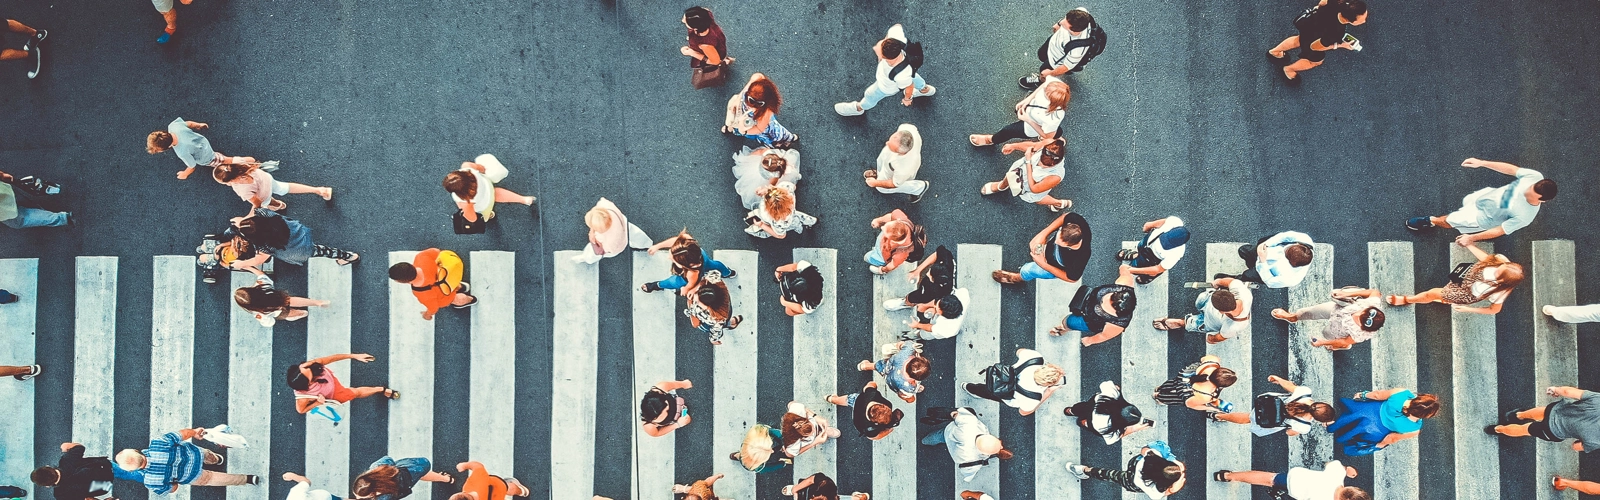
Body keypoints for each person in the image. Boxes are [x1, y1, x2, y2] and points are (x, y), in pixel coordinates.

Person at [1406, 158, 1557, 244]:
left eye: (1530, 194)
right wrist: (1482, 163)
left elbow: (1500, 230)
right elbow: (1512, 170)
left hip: (1481, 218)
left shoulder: (1525, 216)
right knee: (1466, 201)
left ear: (1542, 200)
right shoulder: (1535, 177)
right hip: (1484, 197)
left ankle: (1431, 221)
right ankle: (1440, 220)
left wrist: (1472, 238)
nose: (1526, 191)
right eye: (1529, 188)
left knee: (1449, 220)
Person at [1385, 243, 1522, 315]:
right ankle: (1445, 299)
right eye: (1500, 267)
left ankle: (1408, 300)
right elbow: (1487, 259)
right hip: (1463, 277)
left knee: (1431, 293)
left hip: (1464, 293)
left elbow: (1494, 310)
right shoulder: (1502, 261)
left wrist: (1468, 310)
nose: (1495, 269)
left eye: (1498, 273)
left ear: (1502, 281)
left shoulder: (1500, 292)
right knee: (1443, 294)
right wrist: (1469, 245)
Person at [117, 428, 258, 494]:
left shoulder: (150, 482)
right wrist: (195, 432)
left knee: (213, 478)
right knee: (207, 455)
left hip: (192, 476)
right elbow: (182, 434)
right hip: (194, 454)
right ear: (136, 451)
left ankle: (247, 479)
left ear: (134, 470)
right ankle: (217, 459)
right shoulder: (158, 443)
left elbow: (173, 488)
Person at [834, 24, 935, 116]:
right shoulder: (896, 40)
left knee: (870, 95)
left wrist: (907, 99)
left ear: (886, 58)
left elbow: (909, 86)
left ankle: (859, 108)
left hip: (887, 86)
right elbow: (897, 26)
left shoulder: (900, 75)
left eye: (879, 52)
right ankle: (924, 89)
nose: (874, 48)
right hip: (908, 69)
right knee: (913, 76)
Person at [1267, 0, 1368, 83]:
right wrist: (1341, 45)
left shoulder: (1339, 3)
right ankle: (1289, 70)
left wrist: (1318, 10)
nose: (1364, 21)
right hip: (1314, 39)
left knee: (1298, 40)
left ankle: (1274, 52)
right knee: (1315, 61)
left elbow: (1322, 3)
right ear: (1351, 20)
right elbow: (1315, 47)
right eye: (1362, 19)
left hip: (1310, 25)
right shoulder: (1336, 32)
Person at [224, 208, 359, 268]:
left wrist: (242, 264)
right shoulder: (264, 214)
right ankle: (347, 256)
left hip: (297, 249)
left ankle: (349, 257)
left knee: (319, 251)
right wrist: (244, 221)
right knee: (320, 249)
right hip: (298, 232)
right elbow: (256, 210)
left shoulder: (263, 245)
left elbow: (259, 259)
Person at [1212, 375, 1336, 436]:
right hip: (1269, 419)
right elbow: (1289, 432)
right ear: (1317, 419)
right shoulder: (1304, 427)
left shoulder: (1305, 392)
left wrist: (1278, 379)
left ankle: (1218, 415)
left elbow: (1290, 386)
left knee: (1248, 416)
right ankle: (1218, 416)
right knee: (1248, 418)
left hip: (1269, 402)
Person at [1488, 385, 1600, 453]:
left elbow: (1568, 392)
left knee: (1543, 412)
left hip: (1556, 410)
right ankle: (1498, 429)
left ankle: (1519, 415)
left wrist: (1556, 389)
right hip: (1553, 431)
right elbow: (1576, 447)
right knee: (1525, 430)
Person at [1330, 387, 1440, 456]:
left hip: (1369, 410)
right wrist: (1380, 445)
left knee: (1354, 415)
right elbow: (1392, 438)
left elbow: (1377, 395)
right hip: (1374, 430)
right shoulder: (1414, 429)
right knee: (1360, 434)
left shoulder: (1402, 393)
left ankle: (1336, 423)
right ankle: (1344, 436)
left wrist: (1363, 395)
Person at [1272, 287, 1385, 351]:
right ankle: (1292, 317)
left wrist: (1323, 342)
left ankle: (1342, 347)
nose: (1357, 314)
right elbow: (1375, 292)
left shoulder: (1361, 333)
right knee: (1311, 312)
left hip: (1339, 330)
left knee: (1326, 334)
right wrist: (1346, 294)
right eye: (1362, 312)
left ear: (1362, 327)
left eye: (1359, 319)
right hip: (1337, 310)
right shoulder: (1373, 304)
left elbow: (1344, 340)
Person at [1050, 264, 1137, 347]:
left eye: (1112, 305)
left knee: (1069, 322)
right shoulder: (1125, 284)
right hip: (1086, 300)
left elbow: (1104, 336)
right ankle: (1063, 328)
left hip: (1089, 321)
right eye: (1112, 296)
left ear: (1118, 312)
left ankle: (1064, 328)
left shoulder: (1118, 324)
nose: (1104, 301)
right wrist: (1131, 269)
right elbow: (1124, 268)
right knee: (1070, 318)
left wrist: (1090, 340)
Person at [993, 211, 1090, 284]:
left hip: (1053, 267)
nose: (1055, 242)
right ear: (1068, 225)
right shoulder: (1077, 223)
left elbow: (1072, 279)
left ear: (1069, 246)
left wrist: (1043, 264)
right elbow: (1066, 216)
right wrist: (1043, 235)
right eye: (1058, 235)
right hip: (1051, 254)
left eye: (1059, 243)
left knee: (1028, 270)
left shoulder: (1081, 257)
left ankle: (1017, 278)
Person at [1064, 441, 1186, 498]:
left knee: (1111, 474)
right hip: (1131, 481)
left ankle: (1085, 470)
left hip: (1135, 464)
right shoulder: (1155, 489)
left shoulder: (1154, 455)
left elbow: (1144, 450)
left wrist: (1172, 460)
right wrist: (1174, 489)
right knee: (1111, 475)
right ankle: (1084, 470)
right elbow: (1164, 493)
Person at [978, 137, 1072, 211]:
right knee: (1010, 175)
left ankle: (1058, 203)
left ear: (1055, 163)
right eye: (1041, 161)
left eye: (1046, 165)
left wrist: (1028, 162)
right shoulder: (1048, 143)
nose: (1041, 165)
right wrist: (1014, 146)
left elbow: (1034, 188)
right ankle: (1001, 186)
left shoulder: (1056, 176)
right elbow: (1033, 146)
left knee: (1038, 200)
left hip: (1030, 187)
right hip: (1021, 170)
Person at [964, 348, 1066, 416]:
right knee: (991, 393)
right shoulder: (1033, 398)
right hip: (1007, 393)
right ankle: (971, 389)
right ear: (1048, 384)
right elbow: (1023, 412)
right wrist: (1048, 392)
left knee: (985, 388)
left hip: (1004, 375)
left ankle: (969, 387)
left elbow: (1019, 351)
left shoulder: (1035, 358)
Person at [969, 78, 1069, 147]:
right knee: (1053, 130)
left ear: (1052, 103)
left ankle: (990, 140)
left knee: (1008, 131)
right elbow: (1044, 85)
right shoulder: (1056, 86)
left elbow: (1047, 136)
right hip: (1029, 110)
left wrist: (1027, 120)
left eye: (1045, 96)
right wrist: (1027, 100)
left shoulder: (1053, 118)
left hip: (1030, 126)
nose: (1042, 93)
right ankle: (1057, 136)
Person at [921, 407, 1011, 483]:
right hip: (954, 449)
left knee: (936, 437)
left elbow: (955, 414)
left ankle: (924, 441)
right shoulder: (973, 460)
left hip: (948, 433)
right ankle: (925, 441)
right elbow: (967, 472)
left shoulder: (971, 423)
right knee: (938, 438)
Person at [1019, 8, 1102, 89]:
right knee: (1041, 55)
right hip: (1054, 43)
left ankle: (1040, 82)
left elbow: (1066, 66)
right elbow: (1065, 20)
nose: (1062, 22)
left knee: (1044, 71)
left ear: (1074, 31)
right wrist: (1058, 24)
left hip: (1056, 60)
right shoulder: (1081, 12)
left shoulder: (1077, 51)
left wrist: (1050, 73)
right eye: (1065, 18)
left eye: (1065, 24)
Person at [288, 353, 397, 414]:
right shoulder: (303, 397)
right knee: (355, 393)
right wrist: (317, 403)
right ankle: (380, 389)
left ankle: (380, 390)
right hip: (334, 394)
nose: (311, 368)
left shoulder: (306, 366)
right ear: (308, 384)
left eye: (307, 368)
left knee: (354, 392)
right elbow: (301, 410)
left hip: (329, 379)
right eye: (311, 375)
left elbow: (331, 358)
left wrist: (354, 356)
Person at [1153, 276, 1251, 344]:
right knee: (1201, 299)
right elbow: (1230, 282)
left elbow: (1216, 338)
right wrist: (1217, 282)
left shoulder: (1233, 327)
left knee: (1192, 323)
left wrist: (1210, 338)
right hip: (1208, 304)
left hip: (1208, 322)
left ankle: (1181, 323)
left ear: (1221, 312)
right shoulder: (1243, 293)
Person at [147, 119, 253, 180]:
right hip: (202, 142)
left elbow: (192, 166)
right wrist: (199, 125)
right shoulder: (173, 126)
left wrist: (185, 174)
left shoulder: (182, 152)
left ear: (167, 147)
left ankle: (248, 162)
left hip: (206, 156)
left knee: (225, 160)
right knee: (218, 157)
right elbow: (189, 124)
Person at [31, 442, 143, 500]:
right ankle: (146, 474)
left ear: (47, 485)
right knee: (129, 472)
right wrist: (64, 447)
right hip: (105, 467)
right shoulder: (66, 460)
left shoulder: (60, 495)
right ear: (49, 467)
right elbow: (80, 447)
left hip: (103, 486)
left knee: (125, 475)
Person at [442, 155, 535, 224]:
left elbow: (472, 218)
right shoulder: (467, 167)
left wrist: (461, 208)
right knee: (497, 192)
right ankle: (524, 199)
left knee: (484, 214)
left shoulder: (465, 202)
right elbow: (481, 168)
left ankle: (489, 215)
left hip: (485, 204)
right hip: (488, 186)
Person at [387, 248, 476, 320]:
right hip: (446, 277)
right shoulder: (421, 257)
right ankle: (461, 286)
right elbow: (436, 251)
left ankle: (470, 299)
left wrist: (427, 314)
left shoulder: (421, 293)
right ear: (411, 265)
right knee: (451, 284)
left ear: (405, 282)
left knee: (456, 298)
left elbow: (433, 307)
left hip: (445, 295)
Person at [639, 230, 736, 294]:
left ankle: (657, 285)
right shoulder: (687, 242)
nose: (669, 258)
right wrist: (658, 246)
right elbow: (676, 241)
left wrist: (686, 289)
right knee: (714, 264)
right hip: (702, 256)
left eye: (674, 260)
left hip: (690, 274)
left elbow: (691, 283)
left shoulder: (692, 273)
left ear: (689, 265)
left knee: (673, 282)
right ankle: (728, 273)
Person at [1213, 461, 1368, 500]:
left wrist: (1346, 469)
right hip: (1296, 492)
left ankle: (1227, 476)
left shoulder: (1337, 475)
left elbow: (1331, 464)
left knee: (1269, 478)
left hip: (1295, 477)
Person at [213, 162, 332, 211]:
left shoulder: (241, 189)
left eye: (225, 183)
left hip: (264, 195)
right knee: (285, 187)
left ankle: (278, 205)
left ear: (232, 180)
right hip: (266, 179)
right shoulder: (239, 164)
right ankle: (319, 190)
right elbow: (251, 159)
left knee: (267, 202)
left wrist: (251, 213)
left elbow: (257, 202)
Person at [1066, 381, 1153, 445]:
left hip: (1095, 405)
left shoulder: (1112, 397)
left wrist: (1116, 388)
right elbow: (1110, 440)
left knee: (1081, 407)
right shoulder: (1106, 425)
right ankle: (1079, 420)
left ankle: (1072, 411)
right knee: (1084, 422)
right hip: (1092, 422)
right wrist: (1134, 429)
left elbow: (1104, 384)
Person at [725, 73, 798, 148]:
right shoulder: (750, 91)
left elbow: (760, 129)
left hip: (758, 127)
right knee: (738, 123)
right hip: (747, 119)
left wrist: (744, 131)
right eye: (751, 101)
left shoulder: (767, 111)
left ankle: (789, 139)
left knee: (775, 135)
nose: (753, 107)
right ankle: (731, 128)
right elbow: (757, 75)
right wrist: (738, 98)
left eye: (759, 104)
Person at [1153, 354, 1238, 418]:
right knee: (1173, 398)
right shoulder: (1206, 396)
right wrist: (1213, 408)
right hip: (1185, 391)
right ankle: (1159, 397)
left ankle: (1160, 388)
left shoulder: (1213, 361)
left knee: (1172, 383)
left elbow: (1202, 359)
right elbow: (1189, 404)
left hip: (1184, 378)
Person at [235, 270, 329, 326]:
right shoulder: (261, 286)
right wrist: (249, 268)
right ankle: (318, 302)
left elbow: (269, 322)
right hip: (279, 298)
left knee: (296, 314)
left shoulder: (257, 313)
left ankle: (301, 313)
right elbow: (262, 275)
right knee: (292, 300)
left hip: (279, 312)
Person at [1224, 231, 1315, 288]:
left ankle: (1234, 280)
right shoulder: (1305, 239)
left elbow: (1270, 281)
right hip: (1265, 249)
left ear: (1292, 263)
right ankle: (1251, 264)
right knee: (1243, 251)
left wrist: (1262, 262)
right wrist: (1266, 244)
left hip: (1263, 270)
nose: (1283, 249)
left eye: (1285, 254)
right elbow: (1283, 237)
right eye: (1287, 248)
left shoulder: (1291, 279)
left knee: (1247, 275)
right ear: (1299, 244)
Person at [573, 198, 651, 264]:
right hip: (623, 224)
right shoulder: (605, 206)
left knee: (592, 253)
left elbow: (600, 252)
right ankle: (646, 243)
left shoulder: (602, 238)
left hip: (618, 245)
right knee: (635, 233)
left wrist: (592, 240)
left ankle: (587, 258)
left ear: (600, 230)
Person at [1116, 216, 1189, 285]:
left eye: (1167, 244)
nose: (1161, 243)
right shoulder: (1174, 221)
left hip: (1153, 258)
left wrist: (1132, 270)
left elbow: (1158, 269)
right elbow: (1150, 224)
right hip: (1146, 244)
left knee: (1140, 266)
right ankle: (1137, 257)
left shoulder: (1176, 254)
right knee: (1140, 249)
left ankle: (1149, 276)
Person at [863, 124, 927, 202]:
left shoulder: (904, 169)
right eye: (890, 140)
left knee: (883, 188)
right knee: (881, 161)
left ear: (901, 152)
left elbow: (894, 184)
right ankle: (879, 174)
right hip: (892, 163)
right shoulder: (906, 128)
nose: (887, 143)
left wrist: (875, 183)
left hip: (900, 174)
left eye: (891, 147)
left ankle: (919, 188)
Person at [827, 380, 904, 440]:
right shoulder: (869, 428)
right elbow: (873, 437)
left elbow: (869, 385)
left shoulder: (872, 394)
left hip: (858, 401)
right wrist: (888, 431)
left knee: (847, 399)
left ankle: (831, 399)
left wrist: (873, 384)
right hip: (857, 420)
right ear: (875, 422)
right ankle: (832, 399)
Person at [730, 146, 802, 210]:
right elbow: (759, 152)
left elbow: (772, 184)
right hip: (759, 169)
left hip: (762, 178)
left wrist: (764, 189)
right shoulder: (767, 154)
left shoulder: (775, 175)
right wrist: (749, 158)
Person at [885, 244, 954, 310]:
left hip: (932, 293)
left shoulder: (935, 291)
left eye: (930, 275)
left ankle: (906, 303)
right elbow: (937, 254)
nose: (927, 273)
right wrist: (918, 270)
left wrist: (925, 305)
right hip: (936, 285)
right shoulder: (947, 260)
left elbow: (928, 299)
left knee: (916, 297)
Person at [349, 457, 452, 500]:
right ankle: (446, 479)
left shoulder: (384, 496)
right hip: (408, 467)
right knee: (422, 470)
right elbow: (388, 459)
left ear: (373, 492)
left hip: (409, 480)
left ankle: (445, 479)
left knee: (421, 475)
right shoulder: (376, 467)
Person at [858, 341, 929, 403]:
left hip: (888, 367)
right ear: (916, 379)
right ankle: (916, 388)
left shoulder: (906, 353)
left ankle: (864, 366)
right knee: (909, 393)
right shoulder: (909, 387)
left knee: (878, 366)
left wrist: (902, 346)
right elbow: (908, 398)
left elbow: (901, 344)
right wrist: (909, 395)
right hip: (892, 382)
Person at [681, 7, 732, 89]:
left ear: (696, 28)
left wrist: (691, 53)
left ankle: (724, 62)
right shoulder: (706, 15)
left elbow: (715, 61)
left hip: (712, 52)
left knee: (715, 61)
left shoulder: (705, 44)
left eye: (686, 21)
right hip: (717, 43)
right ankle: (725, 60)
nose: (683, 20)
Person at [0, 170, 71, 229]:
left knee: (20, 219)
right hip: (4, 190)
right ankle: (40, 208)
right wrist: (2, 175)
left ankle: (64, 218)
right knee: (17, 199)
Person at [743, 186, 816, 239]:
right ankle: (811, 222)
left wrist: (761, 225)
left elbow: (781, 235)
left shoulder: (773, 220)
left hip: (783, 224)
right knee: (798, 219)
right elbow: (793, 186)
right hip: (792, 215)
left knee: (764, 231)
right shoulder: (787, 189)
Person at [685, 275, 740, 345]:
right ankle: (728, 323)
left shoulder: (715, 317)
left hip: (714, 319)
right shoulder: (721, 288)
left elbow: (716, 330)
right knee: (722, 322)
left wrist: (713, 340)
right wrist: (697, 287)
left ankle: (727, 324)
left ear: (708, 306)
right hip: (726, 311)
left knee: (707, 328)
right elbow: (711, 275)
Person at [864, 209, 921, 274]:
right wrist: (878, 220)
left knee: (867, 258)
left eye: (885, 233)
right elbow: (891, 216)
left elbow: (892, 266)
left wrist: (882, 270)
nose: (882, 227)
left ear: (894, 241)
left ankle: (878, 264)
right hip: (884, 246)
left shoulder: (901, 253)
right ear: (898, 221)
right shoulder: (900, 219)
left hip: (882, 256)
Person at [902, 288, 969, 340]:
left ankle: (917, 335)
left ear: (942, 314)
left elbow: (930, 328)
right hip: (943, 318)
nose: (935, 306)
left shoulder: (948, 329)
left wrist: (917, 325)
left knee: (926, 334)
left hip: (939, 330)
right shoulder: (963, 293)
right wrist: (926, 305)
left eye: (937, 308)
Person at [448, 461, 530, 500]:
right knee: (509, 488)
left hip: (498, 497)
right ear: (463, 493)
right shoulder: (476, 482)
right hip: (498, 485)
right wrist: (464, 465)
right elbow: (478, 466)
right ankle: (522, 491)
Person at [781, 473, 868, 500]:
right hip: (830, 494)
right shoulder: (825, 484)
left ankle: (858, 498)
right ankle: (858, 498)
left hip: (829, 494)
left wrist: (795, 492)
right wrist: (795, 489)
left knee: (837, 497)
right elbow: (811, 480)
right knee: (836, 497)